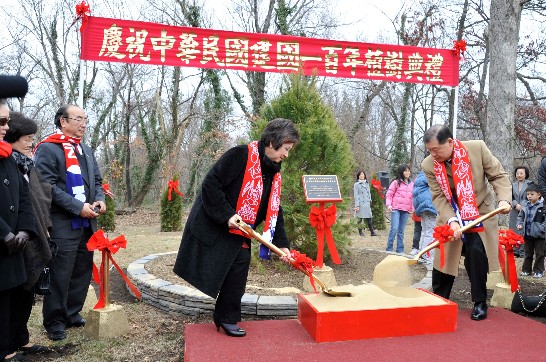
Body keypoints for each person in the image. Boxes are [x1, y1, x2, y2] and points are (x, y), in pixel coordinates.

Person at [173, 118, 299, 337]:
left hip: (241, 228)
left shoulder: (274, 170)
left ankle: (226, 318)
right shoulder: (239, 155)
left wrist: (282, 244)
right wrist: (227, 215)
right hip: (216, 220)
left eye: (289, 150)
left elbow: (274, 210)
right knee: (217, 266)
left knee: (239, 265)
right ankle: (225, 316)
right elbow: (211, 183)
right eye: (285, 149)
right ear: (271, 142)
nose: (286, 155)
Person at [422, 124, 511, 321]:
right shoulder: (429, 165)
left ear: (450, 142)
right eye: (429, 150)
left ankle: (480, 302)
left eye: (436, 149)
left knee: (476, 250)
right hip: (451, 213)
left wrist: (504, 198)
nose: (433, 154)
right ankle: (440, 299)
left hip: (479, 211)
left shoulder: (477, 148)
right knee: (444, 252)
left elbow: (498, 175)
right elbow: (438, 196)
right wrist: (452, 221)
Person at [34, 104, 106, 341]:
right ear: (63, 121)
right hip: (63, 223)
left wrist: (99, 199)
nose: (83, 124)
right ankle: (54, 321)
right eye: (78, 119)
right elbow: (47, 187)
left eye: (85, 119)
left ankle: (72, 312)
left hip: (87, 223)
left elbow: (96, 179)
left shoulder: (85, 148)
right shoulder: (48, 149)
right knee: (60, 273)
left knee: (82, 270)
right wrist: (78, 207)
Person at [5, 112, 53, 357]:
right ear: (12, 137)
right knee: (13, 294)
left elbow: (39, 198)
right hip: (11, 241)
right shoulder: (7, 162)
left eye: (33, 138)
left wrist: (40, 227)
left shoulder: (28, 165)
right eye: (26, 138)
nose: (31, 143)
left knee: (26, 293)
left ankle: (20, 338)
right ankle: (8, 345)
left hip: (32, 237)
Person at [0, 99, 37, 361]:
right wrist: (4, 233)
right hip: (3, 239)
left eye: (6, 121)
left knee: (15, 295)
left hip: (15, 242)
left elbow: (24, 198)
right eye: (1, 122)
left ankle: (12, 344)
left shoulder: (8, 159)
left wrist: (24, 231)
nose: (5, 127)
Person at [516, 183, 546, 278]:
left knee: (539, 254)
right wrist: (519, 224)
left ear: (539, 194)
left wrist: (541, 228)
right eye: (528, 194)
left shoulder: (543, 207)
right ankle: (526, 270)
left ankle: (539, 271)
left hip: (539, 235)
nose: (529, 196)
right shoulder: (525, 206)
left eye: (532, 194)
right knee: (527, 254)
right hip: (527, 234)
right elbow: (520, 217)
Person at [385, 164, 413, 254]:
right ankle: (389, 248)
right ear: (401, 172)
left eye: (408, 171)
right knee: (394, 228)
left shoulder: (412, 184)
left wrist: (412, 208)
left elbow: (413, 197)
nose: (407, 172)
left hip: (406, 210)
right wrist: (389, 205)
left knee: (401, 231)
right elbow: (389, 194)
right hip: (395, 209)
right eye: (405, 171)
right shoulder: (396, 182)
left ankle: (400, 250)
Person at [412, 171, 437, 264]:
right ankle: (427, 255)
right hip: (429, 206)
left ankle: (421, 253)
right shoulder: (429, 174)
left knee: (425, 231)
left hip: (422, 207)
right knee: (430, 232)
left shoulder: (420, 176)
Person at [510, 166, 532, 257]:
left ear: (525, 174)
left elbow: (530, 196)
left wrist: (522, 206)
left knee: (523, 229)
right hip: (514, 210)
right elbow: (510, 197)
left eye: (521, 173)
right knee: (514, 229)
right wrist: (515, 204)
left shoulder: (530, 183)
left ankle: (523, 251)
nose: (519, 175)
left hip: (526, 210)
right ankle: (515, 250)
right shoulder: (512, 185)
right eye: (517, 173)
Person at [353, 170, 377, 237]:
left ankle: (372, 232)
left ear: (364, 175)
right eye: (360, 174)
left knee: (369, 218)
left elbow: (369, 192)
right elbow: (356, 195)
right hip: (360, 203)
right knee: (360, 218)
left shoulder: (367, 183)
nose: (362, 176)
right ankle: (360, 232)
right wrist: (357, 205)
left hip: (367, 203)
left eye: (363, 174)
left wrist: (370, 199)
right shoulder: (356, 184)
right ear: (358, 176)